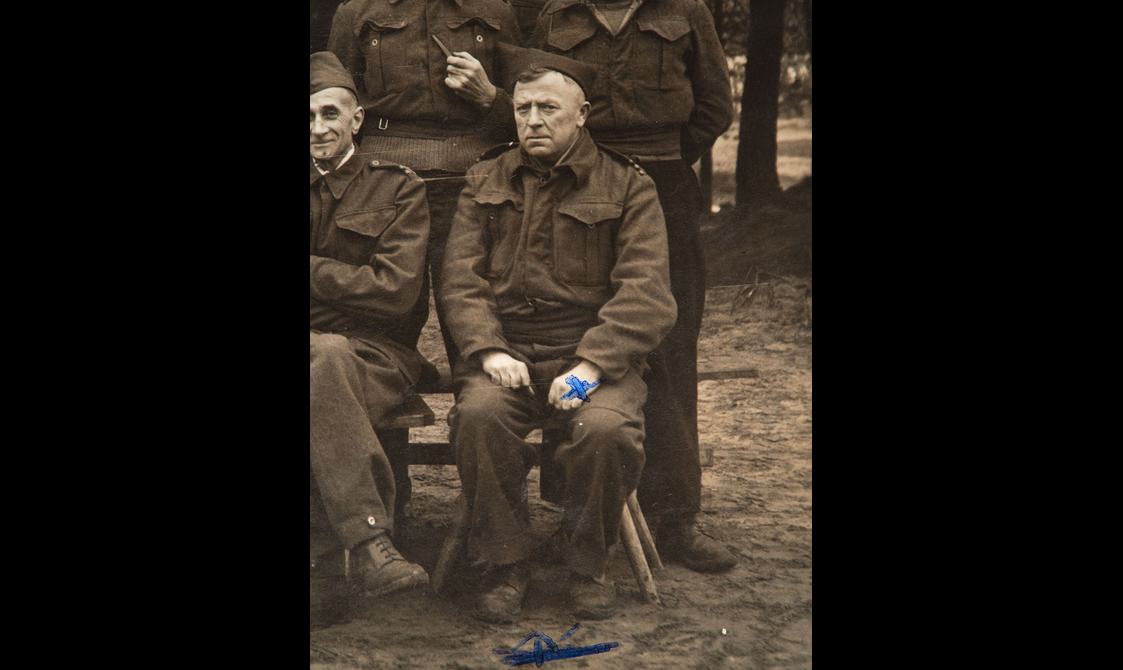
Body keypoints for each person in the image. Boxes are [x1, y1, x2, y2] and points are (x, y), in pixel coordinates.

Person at [439, 52, 677, 623]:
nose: (533, 121)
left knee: (605, 430)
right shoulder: (484, 178)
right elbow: (459, 278)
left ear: (583, 114)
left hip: (594, 355)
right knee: (478, 418)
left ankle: (586, 564)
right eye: (522, 109)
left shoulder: (628, 185)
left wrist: (592, 366)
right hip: (508, 351)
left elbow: (645, 291)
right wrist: (490, 348)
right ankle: (504, 564)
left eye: (549, 108)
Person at [532, 0, 738, 572]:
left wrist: (662, 164)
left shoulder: (687, 11)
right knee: (577, 335)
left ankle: (675, 519)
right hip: (577, 187)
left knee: (667, 345)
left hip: (664, 182)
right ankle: (575, 514)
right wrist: (593, 166)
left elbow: (715, 105)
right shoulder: (556, 15)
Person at [328, 0, 524, 368]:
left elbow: (528, 103)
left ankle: (475, 411)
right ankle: (387, 420)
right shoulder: (357, 12)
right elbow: (335, 97)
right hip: (384, 180)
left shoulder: (495, 10)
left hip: (472, 178)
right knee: (383, 319)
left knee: (472, 307)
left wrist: (490, 97)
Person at [309, 51, 434, 598]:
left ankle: (355, 549)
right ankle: (362, 551)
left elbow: (394, 294)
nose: (317, 130)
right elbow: (365, 285)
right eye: (306, 117)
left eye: (330, 114)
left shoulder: (398, 188)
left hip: (376, 355)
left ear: (356, 119)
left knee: (327, 354)